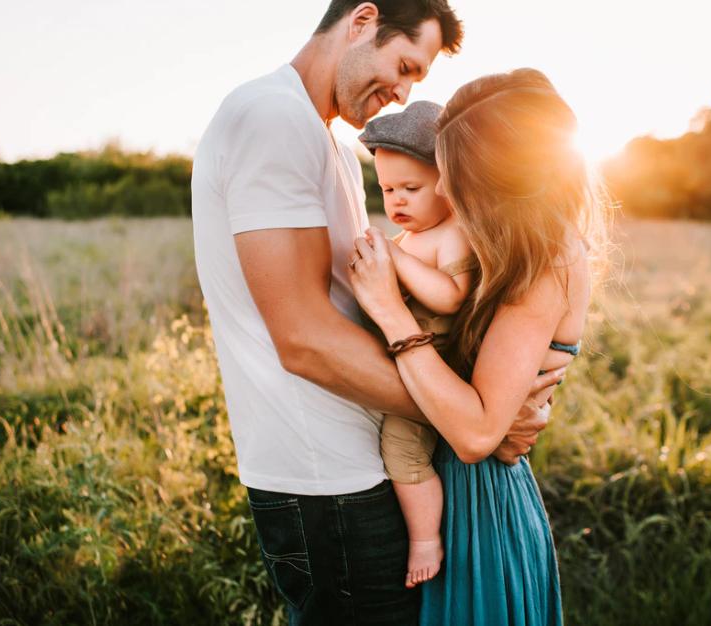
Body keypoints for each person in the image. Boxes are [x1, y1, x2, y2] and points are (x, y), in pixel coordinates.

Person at [191, 2, 569, 624]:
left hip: (366, 463)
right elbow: (305, 339)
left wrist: (486, 403)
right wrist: (478, 420)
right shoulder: (271, 118)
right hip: (327, 479)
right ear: (362, 20)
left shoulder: (333, 147)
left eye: (415, 81)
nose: (401, 94)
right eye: (404, 65)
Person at [348, 68, 609, 625]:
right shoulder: (504, 246)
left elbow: (475, 434)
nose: (443, 188)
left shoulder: (546, 260)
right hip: (450, 486)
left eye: (456, 173)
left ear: (505, 176)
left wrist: (392, 313)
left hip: (479, 505)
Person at [358, 100, 476, 588]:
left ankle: (425, 538)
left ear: (448, 185)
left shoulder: (453, 234)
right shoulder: (411, 237)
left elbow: (451, 297)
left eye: (411, 188)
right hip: (403, 364)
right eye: (387, 190)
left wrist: (395, 260)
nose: (397, 202)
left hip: (434, 374)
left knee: (401, 450)